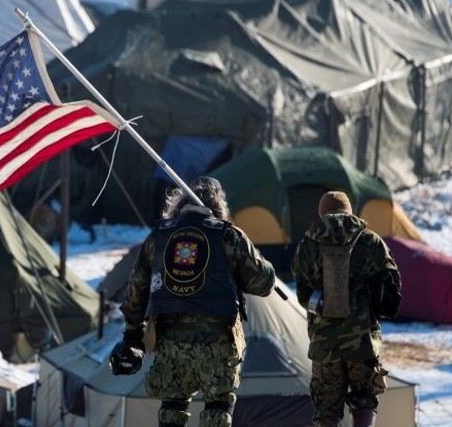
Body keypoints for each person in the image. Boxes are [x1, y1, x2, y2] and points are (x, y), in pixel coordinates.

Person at [109, 176, 276, 427]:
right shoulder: (228, 235)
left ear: (179, 203)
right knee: (218, 407)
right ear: (219, 204)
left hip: (171, 342)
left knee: (172, 406)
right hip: (219, 343)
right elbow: (264, 283)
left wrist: (133, 334)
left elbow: (136, 290)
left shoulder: (159, 237)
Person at [291, 191, 402, 427]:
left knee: (326, 412)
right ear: (349, 210)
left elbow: (303, 296)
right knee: (364, 401)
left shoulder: (307, 246)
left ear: (322, 213)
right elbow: (391, 293)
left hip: (324, 345)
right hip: (362, 341)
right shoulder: (370, 241)